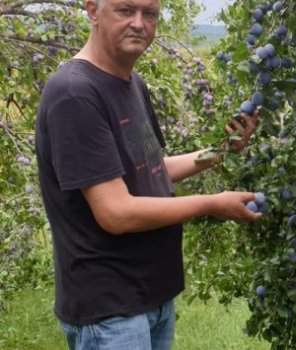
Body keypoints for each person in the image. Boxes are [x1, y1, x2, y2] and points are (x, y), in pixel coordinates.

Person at [35, 0, 261, 348]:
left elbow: (150, 169)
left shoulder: (131, 83)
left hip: (150, 296)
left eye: (149, 14)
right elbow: (115, 213)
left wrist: (222, 149)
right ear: (93, 11)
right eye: (126, 10)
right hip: (110, 309)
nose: (140, 23)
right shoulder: (75, 93)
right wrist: (212, 203)